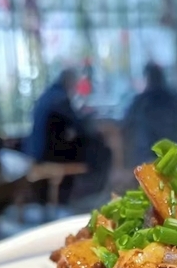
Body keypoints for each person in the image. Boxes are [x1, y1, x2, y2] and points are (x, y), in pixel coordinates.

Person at [23, 68, 111, 204]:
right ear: (69, 82)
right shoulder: (60, 98)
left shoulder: (48, 95)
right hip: (46, 154)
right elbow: (78, 125)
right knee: (99, 146)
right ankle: (95, 195)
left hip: (35, 152)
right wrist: (88, 116)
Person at [122, 62, 177, 166]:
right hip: (174, 157)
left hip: (146, 157)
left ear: (147, 78)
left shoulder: (140, 101)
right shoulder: (175, 99)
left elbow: (127, 125)